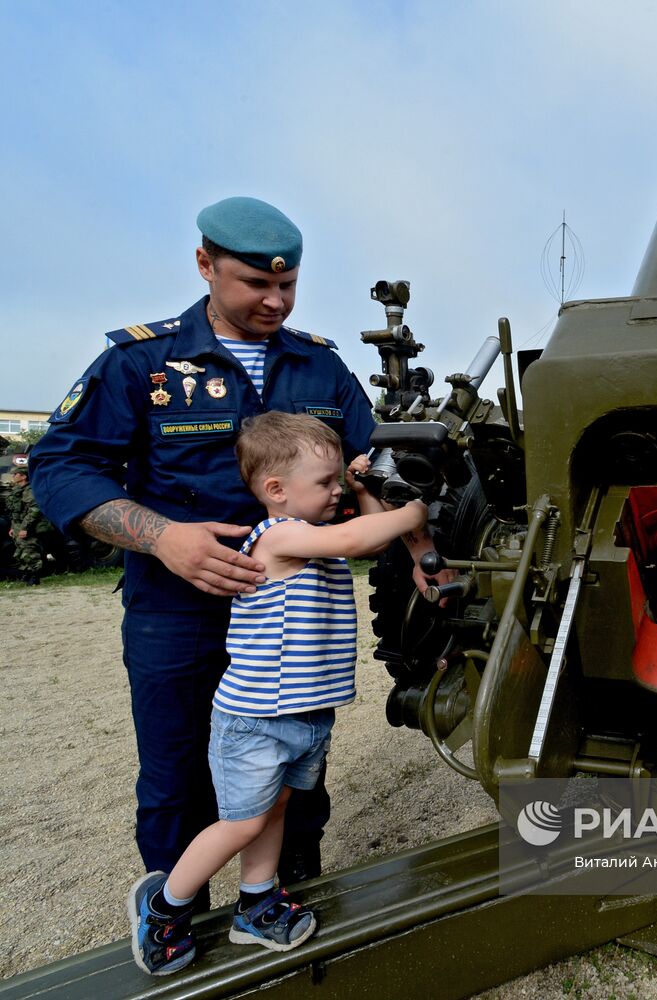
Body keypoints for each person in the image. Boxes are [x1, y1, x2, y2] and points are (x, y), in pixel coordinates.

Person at [31, 196, 449, 900]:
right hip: (180, 608)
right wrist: (163, 537)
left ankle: (283, 898)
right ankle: (174, 920)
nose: (276, 300)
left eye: (287, 284)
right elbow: (61, 467)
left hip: (296, 618)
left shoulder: (319, 367)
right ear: (205, 264)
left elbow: (376, 464)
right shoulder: (143, 362)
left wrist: (419, 552)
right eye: (256, 283)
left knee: (293, 771)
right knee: (176, 776)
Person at [129, 412, 430, 974]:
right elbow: (355, 537)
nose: (336, 489)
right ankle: (164, 908)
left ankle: (256, 901)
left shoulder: (314, 535)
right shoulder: (281, 536)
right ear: (276, 491)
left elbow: (360, 544)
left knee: (275, 811)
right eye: (325, 482)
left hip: (304, 712)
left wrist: (365, 491)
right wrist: (410, 512)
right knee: (242, 820)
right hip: (258, 718)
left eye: (339, 479)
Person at [5, 468, 53, 584]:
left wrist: (25, 528)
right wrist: (13, 527)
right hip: (18, 525)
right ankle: (27, 574)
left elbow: (34, 511)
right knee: (20, 552)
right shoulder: (17, 490)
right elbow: (15, 512)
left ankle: (34, 576)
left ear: (23, 476)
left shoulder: (30, 491)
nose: (13, 476)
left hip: (28, 526)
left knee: (30, 551)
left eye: (16, 474)